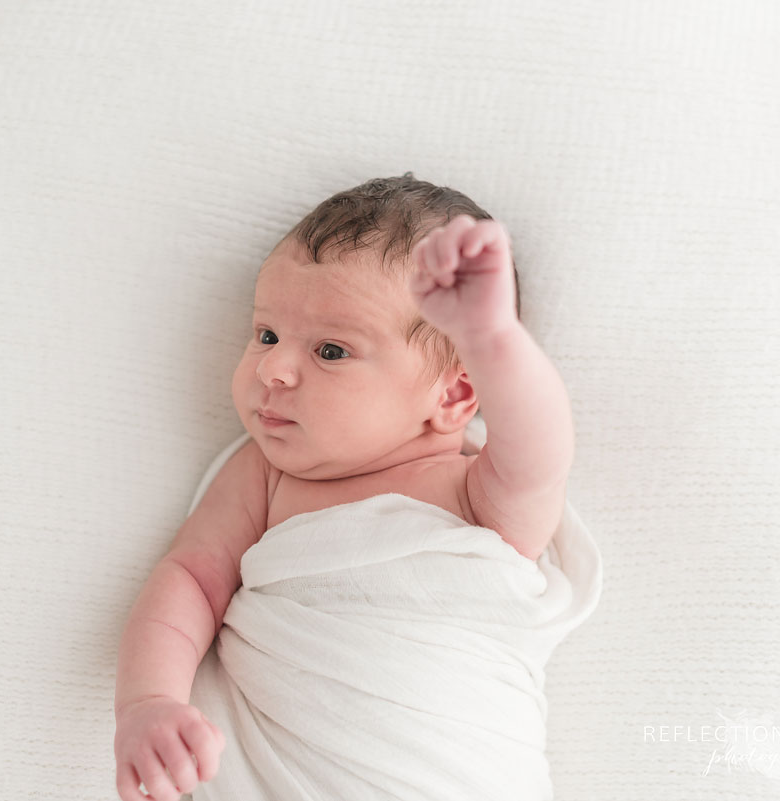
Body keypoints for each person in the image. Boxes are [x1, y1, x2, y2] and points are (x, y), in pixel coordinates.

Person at [114, 173, 576, 801]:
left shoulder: (476, 493)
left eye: (331, 351)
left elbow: (541, 452)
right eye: (267, 335)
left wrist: (493, 337)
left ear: (456, 394)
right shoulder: (263, 474)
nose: (273, 369)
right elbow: (190, 581)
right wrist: (147, 702)